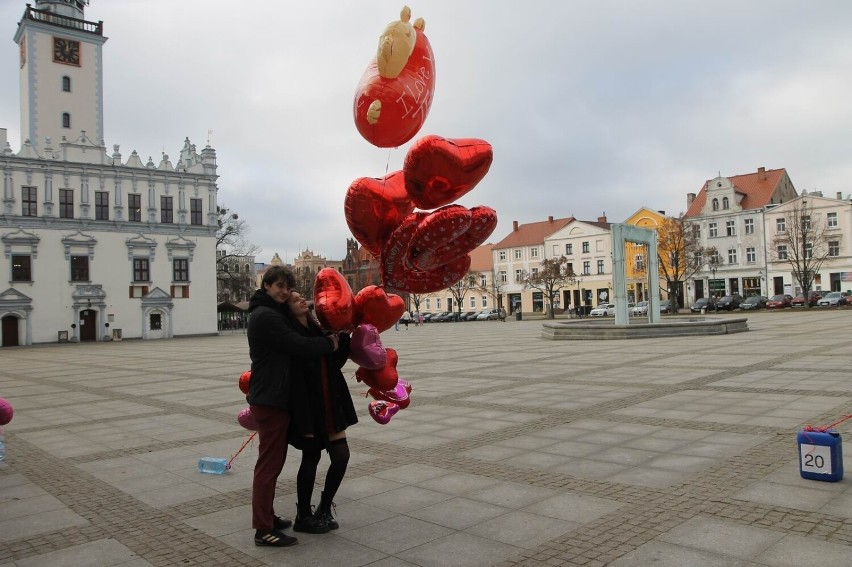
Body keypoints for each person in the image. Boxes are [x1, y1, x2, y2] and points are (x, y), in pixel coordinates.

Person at [246, 266, 339, 547]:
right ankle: (264, 529)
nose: (284, 291)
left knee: (273, 463)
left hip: (274, 396)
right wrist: (328, 344)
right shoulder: (265, 317)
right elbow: (297, 344)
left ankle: (269, 517)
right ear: (267, 286)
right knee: (269, 466)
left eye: (287, 286)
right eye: (279, 286)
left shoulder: (270, 313)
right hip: (271, 398)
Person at [284, 291, 358, 534]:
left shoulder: (318, 329)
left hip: (331, 402)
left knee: (341, 456)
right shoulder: (293, 336)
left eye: (300, 297)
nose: (300, 300)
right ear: (288, 310)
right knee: (311, 458)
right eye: (294, 300)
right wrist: (327, 343)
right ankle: (303, 514)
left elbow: (334, 362)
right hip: (310, 406)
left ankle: (325, 506)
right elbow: (300, 364)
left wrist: (344, 336)